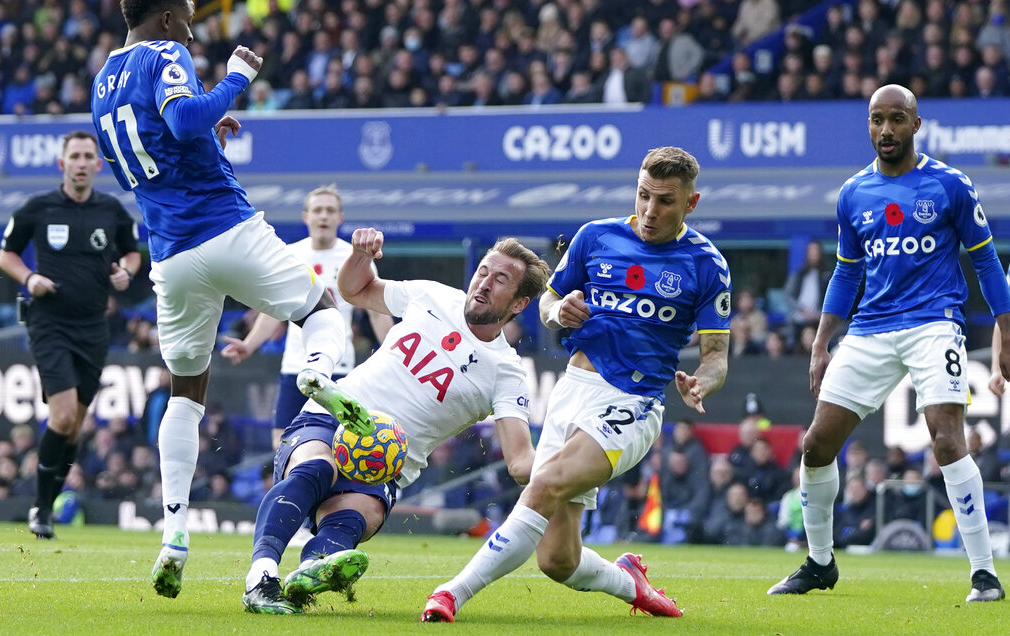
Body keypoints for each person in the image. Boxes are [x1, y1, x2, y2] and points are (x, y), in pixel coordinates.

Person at [90, 0, 372, 599]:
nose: (191, 31)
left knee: (186, 392)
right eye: (188, 17)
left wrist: (207, 132)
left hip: (171, 256)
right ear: (166, 18)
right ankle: (317, 376)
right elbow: (185, 119)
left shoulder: (103, 79)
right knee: (322, 309)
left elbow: (163, 145)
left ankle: (173, 536)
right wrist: (237, 80)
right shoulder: (166, 53)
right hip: (225, 228)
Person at [422, 146, 731, 621]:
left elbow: (716, 357)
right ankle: (631, 582)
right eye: (644, 195)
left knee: (543, 483)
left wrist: (701, 383)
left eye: (666, 201)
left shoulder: (706, 264)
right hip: (572, 390)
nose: (650, 210)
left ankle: (451, 593)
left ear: (691, 203)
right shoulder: (595, 237)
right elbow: (546, 306)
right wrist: (558, 311)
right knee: (558, 561)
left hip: (632, 401)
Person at [768, 85, 1010, 603]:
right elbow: (846, 272)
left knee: (947, 439)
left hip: (933, 323)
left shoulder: (950, 185)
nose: (886, 130)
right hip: (871, 328)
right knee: (815, 446)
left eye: (897, 119)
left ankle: (985, 573)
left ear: (916, 125)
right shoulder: (853, 193)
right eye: (877, 120)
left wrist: (1005, 330)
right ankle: (819, 562)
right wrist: (821, 342)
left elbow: (987, 261)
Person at [240, 230, 550, 614]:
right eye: (483, 271)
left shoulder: (506, 373)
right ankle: (262, 577)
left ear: (520, 303)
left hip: (385, 466)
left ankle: (310, 571)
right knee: (317, 467)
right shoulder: (433, 295)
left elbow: (521, 463)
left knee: (356, 517)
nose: (484, 282)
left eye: (500, 279)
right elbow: (356, 290)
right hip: (333, 416)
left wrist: (577, 467)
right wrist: (359, 255)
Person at [0, 130, 141, 540]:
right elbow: (5, 254)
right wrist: (30, 277)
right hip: (50, 324)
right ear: (63, 164)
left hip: (94, 326)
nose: (80, 162)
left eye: (87, 156)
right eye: (74, 156)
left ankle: (49, 500)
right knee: (60, 417)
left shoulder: (111, 211)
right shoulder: (37, 208)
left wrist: (125, 271)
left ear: (98, 165)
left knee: (75, 427)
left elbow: (132, 251)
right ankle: (41, 509)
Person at [221, 186, 395, 448]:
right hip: (295, 367)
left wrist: (395, 353)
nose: (323, 216)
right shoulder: (291, 255)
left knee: (335, 447)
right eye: (317, 210)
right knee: (281, 444)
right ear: (306, 217)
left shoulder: (356, 258)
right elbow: (273, 312)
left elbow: (377, 314)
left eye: (330, 211)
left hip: (338, 370)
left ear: (340, 218)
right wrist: (249, 345)